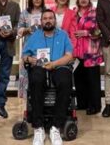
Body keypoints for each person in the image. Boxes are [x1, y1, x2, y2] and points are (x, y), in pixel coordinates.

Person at [22, 9, 74, 145]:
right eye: (45, 18)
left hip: (59, 66)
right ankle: (38, 128)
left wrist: (54, 64)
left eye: (51, 18)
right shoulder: (35, 36)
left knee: (65, 81)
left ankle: (55, 127)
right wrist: (30, 59)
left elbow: (69, 56)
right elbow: (24, 56)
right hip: (39, 66)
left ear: (55, 20)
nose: (48, 20)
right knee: (36, 79)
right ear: (41, 21)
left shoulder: (63, 35)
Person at [73, 0, 103, 115]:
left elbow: (100, 30)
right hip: (77, 51)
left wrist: (86, 33)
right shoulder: (74, 12)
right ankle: (82, 103)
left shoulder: (95, 11)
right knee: (79, 78)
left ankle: (94, 105)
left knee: (92, 79)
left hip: (91, 50)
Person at [18, 0, 46, 99]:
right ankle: (29, 103)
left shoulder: (46, 11)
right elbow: (19, 30)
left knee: (41, 74)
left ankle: (42, 100)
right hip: (29, 47)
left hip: (44, 47)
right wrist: (27, 29)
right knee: (27, 73)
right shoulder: (25, 13)